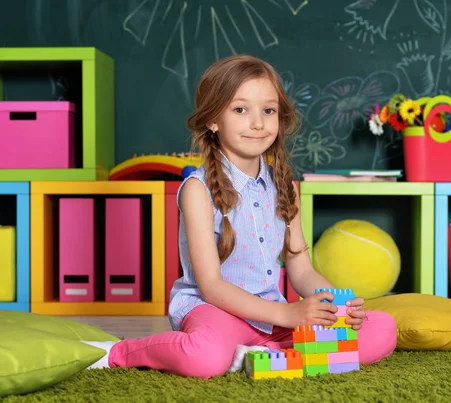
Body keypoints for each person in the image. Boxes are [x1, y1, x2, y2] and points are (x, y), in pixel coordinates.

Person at [82, 54, 397, 378]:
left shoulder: (285, 186)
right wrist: (289, 315)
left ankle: (262, 355)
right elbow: (212, 286)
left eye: (268, 110)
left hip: (273, 319)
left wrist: (335, 306)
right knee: (205, 357)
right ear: (213, 120)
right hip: (216, 313)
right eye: (240, 109)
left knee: (382, 329)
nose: (258, 123)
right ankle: (120, 352)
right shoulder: (197, 190)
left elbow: (301, 270)